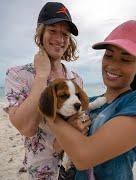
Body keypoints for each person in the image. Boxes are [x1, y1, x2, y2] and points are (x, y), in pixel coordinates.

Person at [46, 20, 136, 180]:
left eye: (126, 59)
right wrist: (70, 128)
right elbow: (56, 148)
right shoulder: (88, 102)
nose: (113, 65)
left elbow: (84, 156)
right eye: (109, 55)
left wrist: (48, 112)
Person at [4, 2, 89, 179]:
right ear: (40, 32)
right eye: (52, 30)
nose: (59, 39)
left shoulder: (76, 79)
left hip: (76, 167)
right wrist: (41, 76)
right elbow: (27, 128)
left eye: (65, 34)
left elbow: (79, 125)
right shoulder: (18, 75)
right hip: (42, 172)